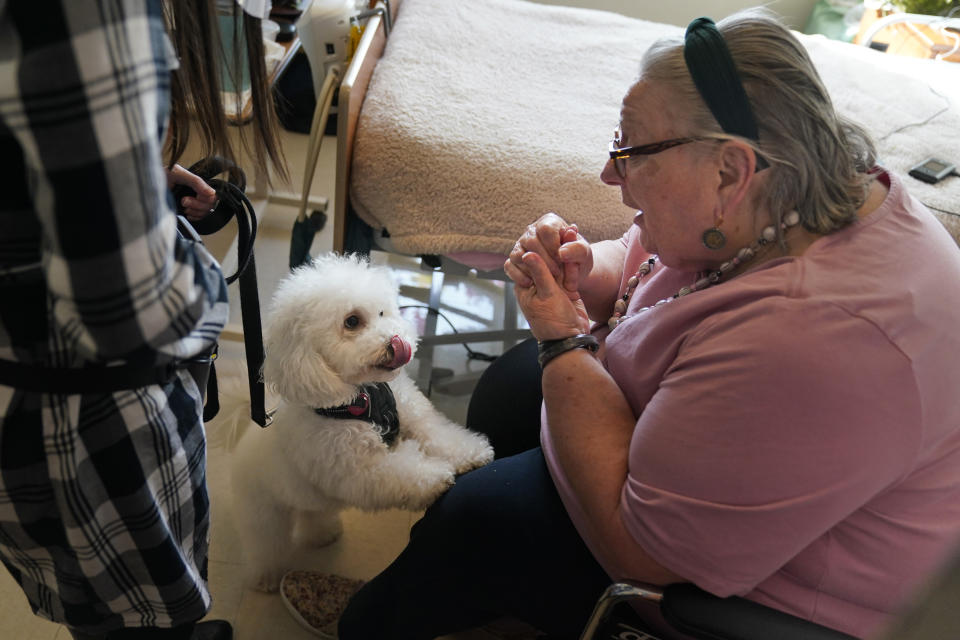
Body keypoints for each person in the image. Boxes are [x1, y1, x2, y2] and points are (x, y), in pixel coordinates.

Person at [320, 8, 960, 640]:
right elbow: (652, 257)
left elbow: (641, 552)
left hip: (744, 590)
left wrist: (565, 341)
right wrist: (585, 271)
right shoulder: (793, 196)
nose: (609, 173)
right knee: (512, 388)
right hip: (714, 451)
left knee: (480, 520)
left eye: (631, 152)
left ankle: (384, 620)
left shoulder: (827, 338)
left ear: (729, 171)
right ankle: (486, 598)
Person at [0, 1, 285, 638]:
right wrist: (195, 269)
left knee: (108, 603)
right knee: (140, 608)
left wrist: (138, 189)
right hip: (92, 412)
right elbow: (124, 317)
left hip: (37, 375)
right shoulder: (92, 11)